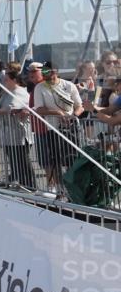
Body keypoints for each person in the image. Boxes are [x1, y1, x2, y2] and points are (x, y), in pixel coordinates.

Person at [32, 61, 83, 197]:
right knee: (57, 160)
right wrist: (58, 113)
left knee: (73, 160)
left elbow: (79, 106)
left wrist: (73, 116)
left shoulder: (69, 85)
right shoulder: (40, 88)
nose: (45, 73)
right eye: (43, 71)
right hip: (53, 129)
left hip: (72, 129)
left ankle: (75, 190)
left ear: (56, 71)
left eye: (48, 70)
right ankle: (60, 189)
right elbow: (40, 109)